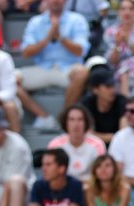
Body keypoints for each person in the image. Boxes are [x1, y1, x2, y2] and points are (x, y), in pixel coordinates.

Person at [17, 0, 90, 129]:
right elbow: (26, 52)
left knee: (82, 73)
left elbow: (81, 50)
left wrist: (60, 38)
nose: (55, 1)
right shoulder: (36, 22)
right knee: (10, 79)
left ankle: (64, 118)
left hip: (68, 68)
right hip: (42, 68)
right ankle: (44, 117)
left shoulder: (77, 20)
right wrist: (47, 38)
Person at [48, 104, 106, 181]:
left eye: (80, 120)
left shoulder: (97, 145)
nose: (76, 124)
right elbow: (51, 174)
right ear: (65, 122)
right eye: (72, 119)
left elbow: (101, 174)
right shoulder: (55, 145)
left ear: (86, 123)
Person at [80, 68, 128, 146]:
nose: (112, 90)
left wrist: (99, 136)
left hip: (118, 147)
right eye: (108, 86)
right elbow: (87, 135)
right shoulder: (87, 104)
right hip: (95, 147)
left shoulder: (121, 101)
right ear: (95, 89)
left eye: (113, 85)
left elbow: (124, 134)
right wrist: (113, 137)